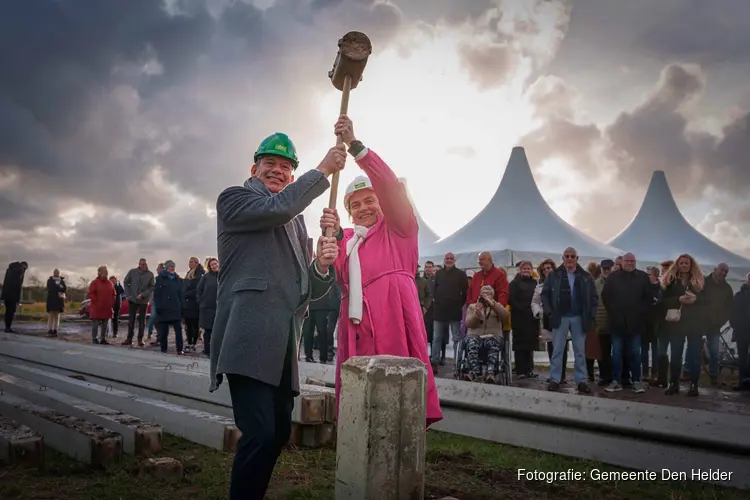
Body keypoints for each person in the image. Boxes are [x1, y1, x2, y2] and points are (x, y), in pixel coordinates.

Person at [211, 129, 342, 500]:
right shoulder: (235, 200)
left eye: (286, 167)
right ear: (254, 168)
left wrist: (320, 264)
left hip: (284, 343)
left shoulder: (295, 220)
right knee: (259, 432)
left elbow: (309, 290)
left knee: (279, 433)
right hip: (249, 336)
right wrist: (322, 171)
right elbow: (278, 207)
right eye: (270, 163)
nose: (278, 171)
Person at [319, 115, 443, 426]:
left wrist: (356, 147)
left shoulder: (399, 228)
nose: (363, 208)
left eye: (369, 200)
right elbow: (326, 270)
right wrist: (328, 237)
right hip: (357, 328)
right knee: (360, 398)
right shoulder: (347, 242)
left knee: (396, 395)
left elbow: (390, 188)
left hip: (393, 320)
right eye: (355, 204)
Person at [541, 247, 598, 394]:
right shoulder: (554, 275)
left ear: (577, 259)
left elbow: (593, 297)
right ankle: (555, 379)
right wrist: (549, 312)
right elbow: (545, 295)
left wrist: (591, 314)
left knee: (580, 351)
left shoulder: (586, 276)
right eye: (567, 256)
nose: (570, 258)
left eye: (573, 256)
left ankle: (581, 381)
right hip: (560, 316)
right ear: (563, 258)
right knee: (558, 350)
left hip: (579, 316)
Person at [601, 252, 652, 394]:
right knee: (616, 353)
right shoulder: (613, 277)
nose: (630, 263)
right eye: (627, 261)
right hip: (617, 322)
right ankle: (616, 381)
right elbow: (606, 296)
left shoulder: (642, 277)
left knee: (635, 353)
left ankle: (636, 381)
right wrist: (614, 312)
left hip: (636, 323)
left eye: (632, 261)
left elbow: (648, 298)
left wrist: (641, 313)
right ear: (622, 262)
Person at [661, 254, 704, 396]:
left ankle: (694, 385)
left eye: (687, 263)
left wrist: (696, 300)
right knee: (675, 355)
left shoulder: (700, 282)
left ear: (691, 265)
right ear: (677, 264)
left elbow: (708, 301)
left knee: (694, 356)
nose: (684, 265)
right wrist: (678, 299)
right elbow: (663, 302)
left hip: (695, 323)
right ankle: (673, 384)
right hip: (676, 323)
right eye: (682, 263)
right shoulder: (670, 281)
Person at [532, 259, 570, 384]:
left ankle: (562, 375)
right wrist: (539, 312)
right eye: (545, 269)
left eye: (549, 268)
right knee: (552, 347)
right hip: (548, 320)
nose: (547, 270)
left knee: (562, 348)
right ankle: (555, 374)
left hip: (561, 319)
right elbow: (535, 302)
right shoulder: (539, 286)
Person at [463, 285, 509, 382]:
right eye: (484, 294)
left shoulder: (497, 306)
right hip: (475, 334)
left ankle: (490, 372)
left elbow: (505, 317)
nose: (486, 296)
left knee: (493, 343)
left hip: (493, 335)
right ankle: (474, 371)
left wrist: (493, 305)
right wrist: (477, 314)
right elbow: (468, 323)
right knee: (472, 343)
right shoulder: (472, 306)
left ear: (493, 295)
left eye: (489, 294)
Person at [508, 261, 538, 378]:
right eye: (524, 268)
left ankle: (529, 369)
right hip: (519, 317)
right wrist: (521, 308)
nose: (526, 270)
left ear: (531, 270)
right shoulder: (514, 283)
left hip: (531, 318)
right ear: (520, 270)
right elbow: (511, 299)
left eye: (528, 268)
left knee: (530, 344)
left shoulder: (535, 283)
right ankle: (520, 370)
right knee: (520, 345)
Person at [153, 260, 185, 355]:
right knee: (163, 331)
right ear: (166, 268)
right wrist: (158, 306)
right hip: (164, 308)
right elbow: (157, 294)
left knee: (178, 330)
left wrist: (182, 306)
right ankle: (164, 349)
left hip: (175, 307)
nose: (173, 268)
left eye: (174, 266)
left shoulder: (177, 279)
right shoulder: (160, 279)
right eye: (171, 266)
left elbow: (181, 294)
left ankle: (179, 349)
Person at [122, 258, 155, 347]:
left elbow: (152, 287)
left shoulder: (150, 274)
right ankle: (129, 338)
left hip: (143, 301)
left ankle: (140, 339)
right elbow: (126, 282)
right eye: (142, 264)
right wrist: (128, 294)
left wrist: (143, 294)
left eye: (144, 264)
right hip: (132, 299)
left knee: (142, 321)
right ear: (139, 264)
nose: (143, 266)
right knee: (131, 320)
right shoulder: (132, 272)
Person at [729, 273, 750, 391]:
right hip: (742, 330)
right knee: (742, 357)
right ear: (747, 280)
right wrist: (735, 325)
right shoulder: (739, 295)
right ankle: (742, 381)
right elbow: (733, 312)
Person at [182, 256, 205, 353]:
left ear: (196, 263)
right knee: (188, 324)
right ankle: (189, 342)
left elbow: (198, 289)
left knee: (195, 325)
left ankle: (193, 343)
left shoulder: (199, 274)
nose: (190, 264)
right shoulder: (188, 273)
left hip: (194, 303)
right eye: (189, 262)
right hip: (187, 304)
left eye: (192, 262)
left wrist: (186, 294)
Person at [197, 258, 219, 357]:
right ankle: (207, 350)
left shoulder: (224, 275)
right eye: (212, 265)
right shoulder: (206, 277)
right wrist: (200, 301)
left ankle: (217, 350)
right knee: (208, 330)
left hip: (220, 307)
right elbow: (199, 289)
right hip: (207, 307)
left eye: (215, 264)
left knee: (218, 330)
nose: (214, 266)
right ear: (209, 267)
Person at [88, 266, 115, 345]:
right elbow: (91, 294)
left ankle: (103, 338)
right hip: (97, 307)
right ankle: (94, 338)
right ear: (99, 273)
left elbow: (114, 294)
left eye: (106, 272)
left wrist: (111, 302)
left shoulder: (110, 283)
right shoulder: (95, 283)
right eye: (103, 272)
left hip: (107, 307)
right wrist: (96, 302)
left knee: (105, 324)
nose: (105, 273)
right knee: (95, 323)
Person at [2, 261, 28, 333]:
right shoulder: (20, 270)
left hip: (6, 294)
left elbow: (5, 282)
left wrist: (2, 296)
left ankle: (7, 327)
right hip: (13, 295)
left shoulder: (9, 269)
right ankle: (8, 327)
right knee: (11, 311)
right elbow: (18, 286)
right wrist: (17, 299)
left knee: (7, 311)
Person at [45, 269, 66, 337]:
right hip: (52, 300)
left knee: (57, 316)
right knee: (51, 315)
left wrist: (59, 287)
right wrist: (58, 287)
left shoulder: (61, 280)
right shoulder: (50, 280)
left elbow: (65, 289)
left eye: (57, 272)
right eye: (55, 272)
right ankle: (49, 329)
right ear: (53, 273)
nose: (56, 273)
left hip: (59, 300)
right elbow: (50, 288)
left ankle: (55, 329)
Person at [148, 263, 164, 345]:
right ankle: (156, 336)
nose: (157, 270)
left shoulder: (164, 278)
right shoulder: (156, 279)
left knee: (158, 319)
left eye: (158, 268)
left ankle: (160, 338)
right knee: (154, 318)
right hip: (155, 300)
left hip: (162, 301)